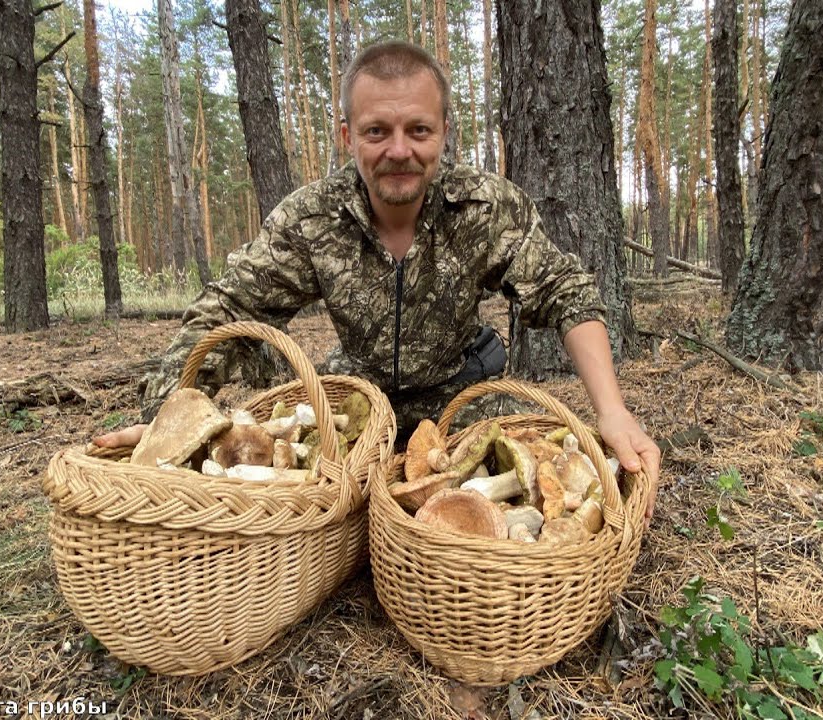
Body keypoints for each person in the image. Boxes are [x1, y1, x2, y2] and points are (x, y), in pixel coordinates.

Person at [95, 40, 659, 519]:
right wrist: (163, 425)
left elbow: (565, 292)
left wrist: (611, 411)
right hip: (355, 406)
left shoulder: (485, 208)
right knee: (311, 507)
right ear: (347, 135)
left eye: (418, 130)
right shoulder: (312, 219)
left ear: (442, 132)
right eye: (376, 131)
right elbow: (226, 312)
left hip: (461, 401)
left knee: (497, 510)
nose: (399, 151)